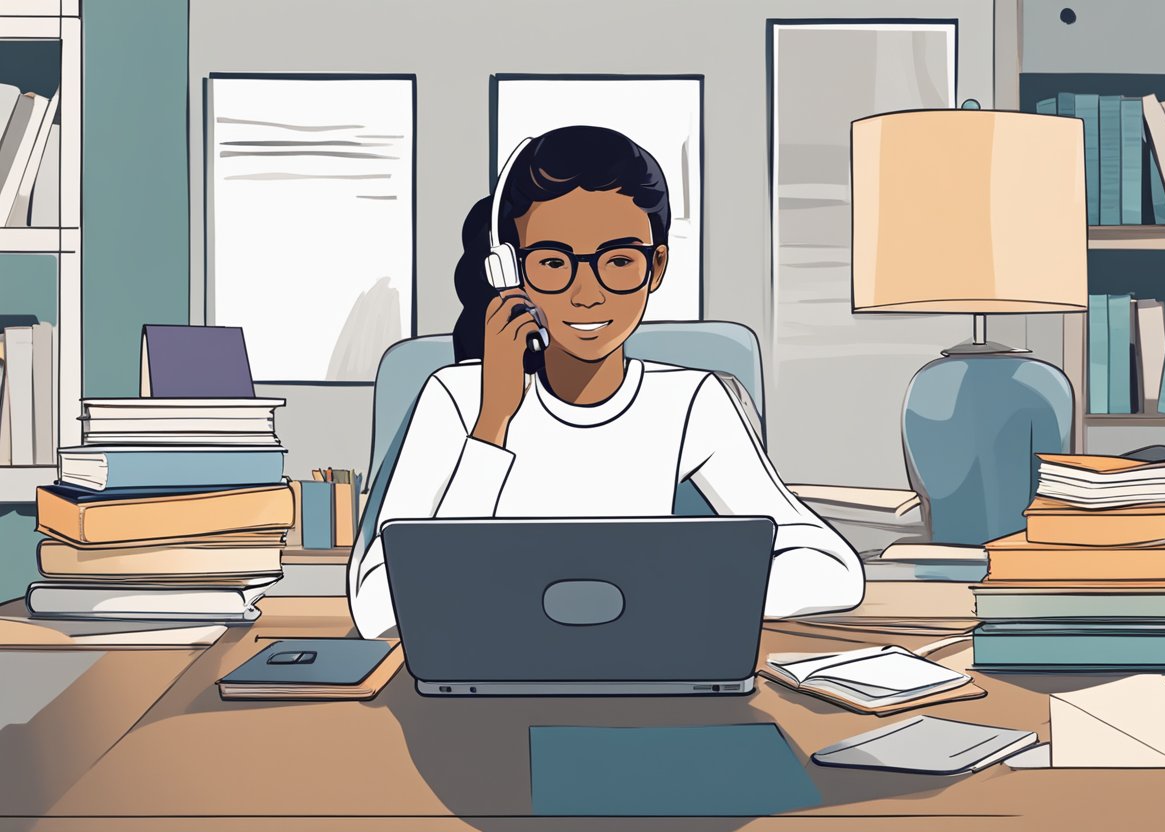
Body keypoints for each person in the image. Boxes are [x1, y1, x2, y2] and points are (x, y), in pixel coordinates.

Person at [348, 125, 863, 639]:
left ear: (656, 266)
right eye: (553, 263)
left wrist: (654, 595)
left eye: (618, 261)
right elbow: (376, 608)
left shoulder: (690, 403)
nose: (587, 294)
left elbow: (834, 570)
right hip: (483, 678)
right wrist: (492, 425)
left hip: (642, 672)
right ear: (510, 272)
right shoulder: (456, 399)